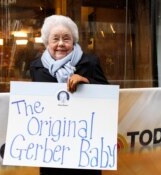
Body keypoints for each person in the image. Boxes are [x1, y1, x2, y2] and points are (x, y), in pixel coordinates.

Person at [30, 14, 108, 175]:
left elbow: (107, 95)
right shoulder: (36, 67)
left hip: (85, 144)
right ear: (47, 42)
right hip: (51, 147)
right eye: (55, 39)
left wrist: (86, 80)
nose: (61, 44)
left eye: (66, 39)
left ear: (74, 41)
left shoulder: (90, 62)